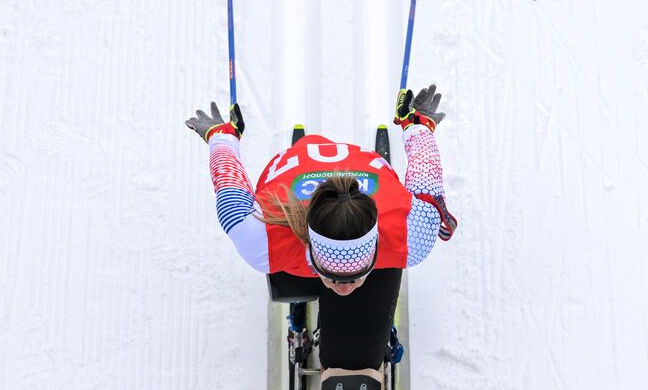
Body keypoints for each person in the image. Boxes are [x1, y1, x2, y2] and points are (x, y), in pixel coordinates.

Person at [186, 85, 456, 371]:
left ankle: (349, 291)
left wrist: (418, 126)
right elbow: (230, 190)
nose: (344, 288)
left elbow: (427, 182)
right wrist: (221, 138)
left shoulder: (411, 231)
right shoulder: (263, 235)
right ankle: (318, 292)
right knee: (291, 282)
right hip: (304, 175)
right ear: (307, 245)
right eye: (332, 276)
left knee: (356, 339)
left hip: (360, 166)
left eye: (355, 276)